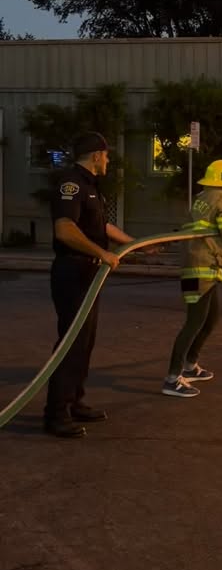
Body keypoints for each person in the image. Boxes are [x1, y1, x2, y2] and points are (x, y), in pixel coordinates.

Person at [44, 132, 135, 438]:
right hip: (73, 272)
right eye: (107, 155)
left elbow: (100, 226)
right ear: (96, 155)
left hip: (89, 273)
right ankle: (55, 414)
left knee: (85, 342)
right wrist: (102, 253)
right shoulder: (70, 184)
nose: (108, 160)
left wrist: (135, 244)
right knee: (70, 343)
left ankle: (75, 401)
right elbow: (65, 230)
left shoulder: (91, 186)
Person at [162, 159, 222, 397]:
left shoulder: (202, 197)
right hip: (202, 269)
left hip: (198, 269)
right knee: (194, 323)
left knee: (210, 320)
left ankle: (190, 365)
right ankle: (172, 378)